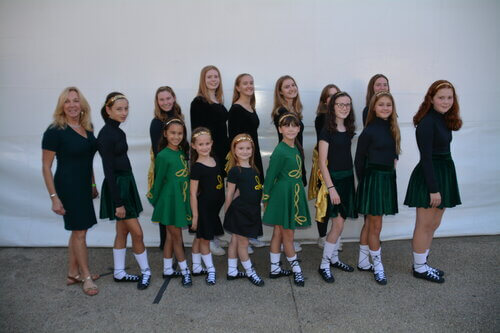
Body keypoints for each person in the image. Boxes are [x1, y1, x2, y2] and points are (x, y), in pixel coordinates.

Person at [42, 87, 100, 296]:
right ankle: (85, 277)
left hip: (84, 186)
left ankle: (72, 272)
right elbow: (46, 167)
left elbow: (88, 159)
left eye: (76, 101)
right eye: (67, 102)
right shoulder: (54, 131)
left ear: (82, 104)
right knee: (80, 232)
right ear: (61, 106)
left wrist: (93, 184)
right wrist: (54, 197)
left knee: (77, 230)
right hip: (67, 186)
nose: (72, 105)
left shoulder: (87, 127)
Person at [404, 80, 462, 283]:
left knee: (434, 223)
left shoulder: (444, 119)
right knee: (424, 224)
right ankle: (419, 268)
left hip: (444, 173)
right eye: (441, 98)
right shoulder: (427, 122)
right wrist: (433, 189)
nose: (446, 101)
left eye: (449, 97)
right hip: (431, 177)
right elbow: (426, 158)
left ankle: (423, 263)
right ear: (431, 99)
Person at [97, 92, 151, 290]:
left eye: (126, 108)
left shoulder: (118, 131)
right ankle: (146, 271)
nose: (124, 112)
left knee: (122, 231)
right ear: (108, 110)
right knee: (137, 233)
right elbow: (108, 170)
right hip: (118, 186)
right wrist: (118, 202)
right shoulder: (106, 135)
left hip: (126, 183)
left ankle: (119, 272)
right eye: (119, 109)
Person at [354, 91, 400, 285]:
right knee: (376, 226)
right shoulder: (369, 131)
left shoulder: (393, 128)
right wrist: (367, 184)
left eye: (388, 105)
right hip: (372, 181)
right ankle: (378, 266)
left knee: (369, 224)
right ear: (374, 107)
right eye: (381, 104)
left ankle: (363, 261)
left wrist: (392, 165)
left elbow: (393, 154)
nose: (385, 108)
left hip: (387, 179)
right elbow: (358, 161)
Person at [263, 113, 311, 287]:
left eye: (294, 126)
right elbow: (270, 175)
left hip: (293, 192)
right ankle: (296, 270)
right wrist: (266, 197)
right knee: (288, 235)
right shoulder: (280, 150)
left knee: (278, 232)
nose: (290, 129)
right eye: (286, 126)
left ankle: (275, 269)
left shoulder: (294, 147)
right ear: (280, 129)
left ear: (298, 129)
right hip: (283, 195)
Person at [317, 92, 358, 283]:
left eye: (347, 104)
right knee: (338, 224)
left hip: (348, 179)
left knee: (340, 224)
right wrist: (331, 187)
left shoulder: (348, 129)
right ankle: (324, 264)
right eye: (340, 104)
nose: (344, 108)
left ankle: (333, 259)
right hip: (334, 182)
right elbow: (322, 163)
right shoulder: (327, 131)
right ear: (332, 106)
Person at [147, 118, 193, 287]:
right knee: (177, 237)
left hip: (179, 200)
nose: (176, 136)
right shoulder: (163, 155)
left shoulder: (181, 151)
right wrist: (155, 199)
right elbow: (158, 181)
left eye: (180, 133)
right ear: (165, 134)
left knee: (169, 237)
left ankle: (167, 269)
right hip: (169, 202)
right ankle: (185, 271)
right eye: (173, 133)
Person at [190, 65, 229, 256]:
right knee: (208, 199)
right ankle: (208, 236)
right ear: (203, 80)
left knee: (218, 196)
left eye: (216, 76)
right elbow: (198, 132)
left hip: (221, 156)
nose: (213, 80)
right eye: (209, 77)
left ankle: (213, 232)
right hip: (207, 156)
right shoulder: (198, 102)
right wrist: (204, 155)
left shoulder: (219, 101)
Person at [228, 73, 265, 252]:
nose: (249, 86)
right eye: (245, 83)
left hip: (253, 156)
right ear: (238, 87)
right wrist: (240, 161)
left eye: (251, 82)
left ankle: (250, 234)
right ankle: (241, 236)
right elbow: (234, 139)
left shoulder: (251, 106)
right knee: (241, 197)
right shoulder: (235, 109)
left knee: (253, 195)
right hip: (242, 158)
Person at [271, 75, 307, 253]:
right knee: (285, 222)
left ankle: (281, 253)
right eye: (287, 87)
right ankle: (288, 244)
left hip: (296, 159)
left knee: (281, 226)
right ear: (280, 92)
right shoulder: (282, 112)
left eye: (293, 85)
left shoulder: (295, 109)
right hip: (288, 167)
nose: (292, 88)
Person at [224, 134, 265, 287]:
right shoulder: (235, 171)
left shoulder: (254, 169)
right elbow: (230, 193)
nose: (245, 151)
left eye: (248, 148)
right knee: (243, 242)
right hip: (239, 211)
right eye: (241, 148)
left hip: (251, 211)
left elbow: (245, 191)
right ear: (234, 151)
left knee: (234, 240)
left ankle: (232, 271)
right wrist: (228, 212)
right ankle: (250, 271)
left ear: (252, 150)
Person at [148, 86, 184, 250]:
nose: (166, 102)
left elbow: (183, 145)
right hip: (165, 172)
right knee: (166, 210)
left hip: (179, 169)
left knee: (177, 209)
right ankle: (167, 247)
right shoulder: (156, 123)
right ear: (157, 102)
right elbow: (159, 154)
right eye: (161, 99)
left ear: (174, 98)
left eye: (168, 98)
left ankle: (177, 246)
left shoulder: (179, 117)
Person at [189, 127, 225, 285]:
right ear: (194, 146)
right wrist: (195, 216)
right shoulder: (197, 167)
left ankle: (196, 267)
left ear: (212, 143)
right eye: (201, 144)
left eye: (207, 143)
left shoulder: (216, 159)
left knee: (199, 237)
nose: (204, 147)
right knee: (204, 240)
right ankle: (211, 270)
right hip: (203, 209)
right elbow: (192, 193)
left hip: (213, 209)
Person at [309, 84, 341, 249]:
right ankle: (322, 236)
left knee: (337, 200)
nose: (334, 98)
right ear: (324, 100)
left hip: (339, 165)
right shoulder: (322, 118)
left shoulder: (343, 118)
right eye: (330, 96)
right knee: (324, 201)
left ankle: (334, 234)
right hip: (325, 164)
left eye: (337, 95)